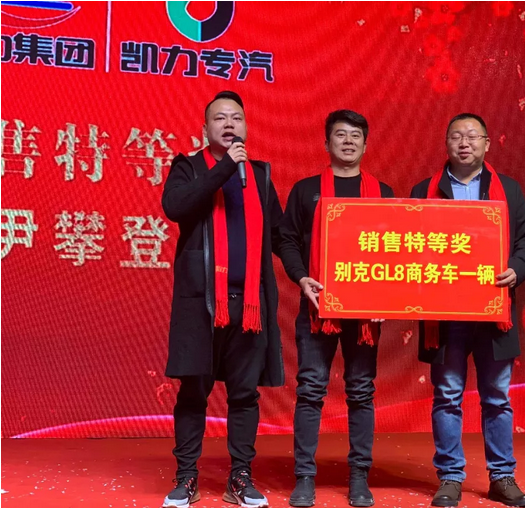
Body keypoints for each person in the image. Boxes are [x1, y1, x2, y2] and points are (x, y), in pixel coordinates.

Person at [410, 113, 525, 508]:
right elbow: (407, 242)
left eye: (472, 136)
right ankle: (450, 477)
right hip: (445, 316)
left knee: (497, 397)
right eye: (456, 136)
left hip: (493, 312)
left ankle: (502, 476)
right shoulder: (424, 190)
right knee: (447, 396)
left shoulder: (508, 190)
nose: (464, 143)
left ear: (487, 143)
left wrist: (516, 269)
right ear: (446, 143)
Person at [161, 91, 284, 508]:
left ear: (246, 127)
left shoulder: (260, 176)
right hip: (202, 304)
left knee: (245, 395)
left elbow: (280, 236)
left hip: (248, 306)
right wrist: (227, 166)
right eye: (220, 118)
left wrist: (305, 273)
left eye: (236, 118)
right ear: (205, 129)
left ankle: (240, 477)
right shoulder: (188, 167)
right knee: (193, 392)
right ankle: (186, 477)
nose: (229, 124)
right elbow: (176, 206)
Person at [279, 110, 394, 507]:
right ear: (326, 143)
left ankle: (359, 477)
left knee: (361, 390)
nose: (348, 141)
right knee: (311, 389)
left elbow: (397, 249)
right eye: (340, 135)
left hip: (365, 312)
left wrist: (388, 298)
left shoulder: (383, 193)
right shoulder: (307, 190)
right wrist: (301, 278)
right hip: (318, 306)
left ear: (365, 144)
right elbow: (287, 239)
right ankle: (304, 477)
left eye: (355, 135)